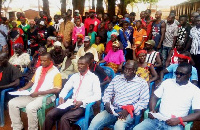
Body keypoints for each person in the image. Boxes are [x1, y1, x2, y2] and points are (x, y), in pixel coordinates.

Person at [134, 63, 200, 130]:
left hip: (176, 124)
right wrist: (152, 110)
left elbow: (198, 114)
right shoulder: (167, 82)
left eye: (181, 74)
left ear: (189, 75)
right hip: (157, 119)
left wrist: (179, 120)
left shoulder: (195, 90)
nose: (178, 76)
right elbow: (154, 96)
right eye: (176, 73)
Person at [43, 56, 101, 130]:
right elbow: (66, 88)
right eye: (78, 64)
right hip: (70, 103)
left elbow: (97, 96)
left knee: (65, 119)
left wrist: (82, 102)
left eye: (82, 64)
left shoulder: (94, 78)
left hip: (83, 106)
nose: (79, 66)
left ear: (87, 65)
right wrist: (61, 97)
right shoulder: (74, 76)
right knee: (50, 114)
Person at [88, 60, 149, 130]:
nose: (126, 71)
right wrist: (107, 103)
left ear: (135, 70)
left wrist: (129, 109)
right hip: (113, 109)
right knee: (95, 122)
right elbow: (108, 92)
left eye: (129, 69)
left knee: (118, 126)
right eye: (125, 68)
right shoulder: (117, 79)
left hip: (129, 112)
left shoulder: (142, 83)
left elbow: (144, 102)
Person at [8, 52, 62, 130]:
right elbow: (32, 81)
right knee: (12, 103)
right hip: (33, 94)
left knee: (30, 107)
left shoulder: (56, 72)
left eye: (44, 60)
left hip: (45, 96)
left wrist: (39, 93)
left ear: (50, 60)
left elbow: (57, 89)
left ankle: (33, 128)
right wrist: (24, 88)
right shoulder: (39, 69)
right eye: (41, 60)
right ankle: (17, 127)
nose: (42, 62)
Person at [187, 15, 200, 86]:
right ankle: (193, 82)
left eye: (199, 21)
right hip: (193, 53)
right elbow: (190, 40)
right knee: (193, 68)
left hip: (199, 53)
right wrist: (186, 49)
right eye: (197, 21)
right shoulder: (192, 29)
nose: (198, 22)